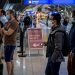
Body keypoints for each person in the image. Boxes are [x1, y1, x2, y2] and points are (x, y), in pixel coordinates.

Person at [1, 10, 18, 75]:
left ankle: (9, 73)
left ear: (11, 14)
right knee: (10, 59)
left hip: (10, 43)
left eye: (7, 14)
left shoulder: (14, 22)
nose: (6, 15)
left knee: (7, 60)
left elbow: (8, 33)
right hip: (7, 43)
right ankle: (11, 73)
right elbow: (4, 29)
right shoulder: (9, 22)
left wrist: (3, 30)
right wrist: (3, 29)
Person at [67, 10, 75, 75]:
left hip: (73, 52)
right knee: (70, 69)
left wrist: (73, 50)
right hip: (71, 52)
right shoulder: (73, 25)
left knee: (72, 70)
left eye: (73, 15)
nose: (72, 17)